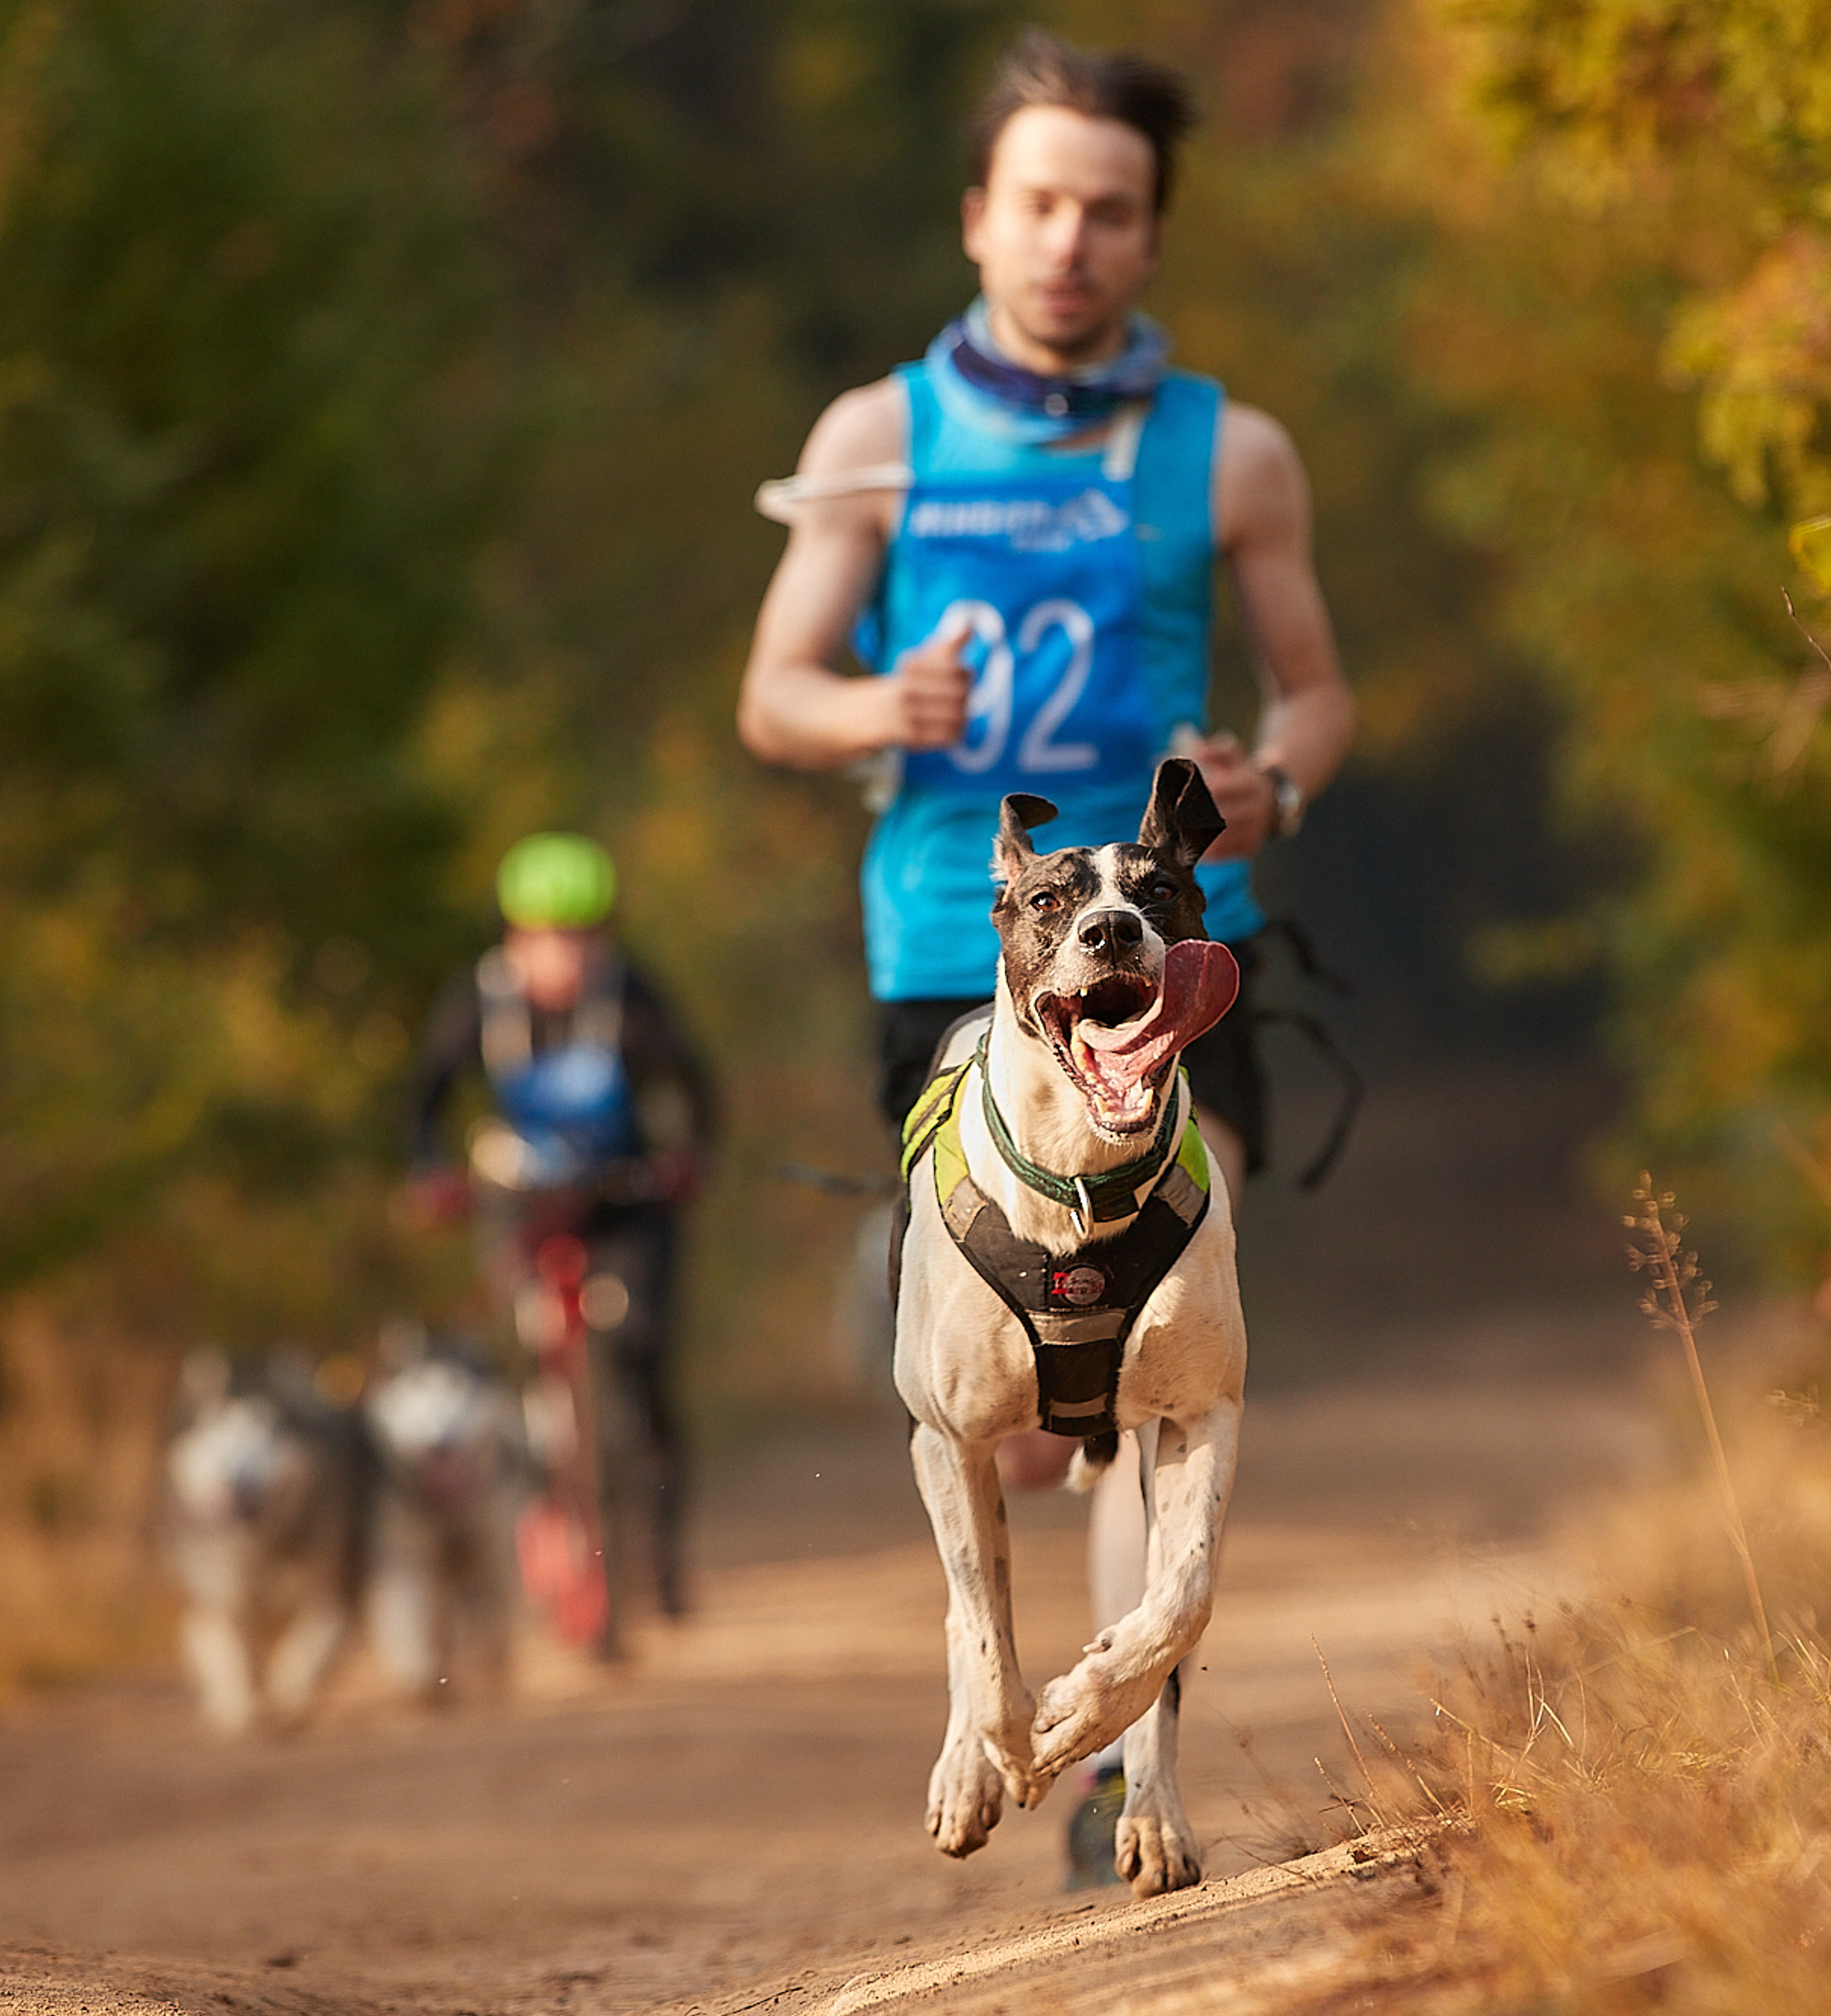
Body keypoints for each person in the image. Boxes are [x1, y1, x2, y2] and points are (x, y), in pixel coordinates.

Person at [736, 30, 1352, 1873]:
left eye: (1108, 209)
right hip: (952, 949)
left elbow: (1316, 694)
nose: (1069, 239)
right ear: (974, 219)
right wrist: (871, 708)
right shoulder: (874, 438)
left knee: (1159, 1355)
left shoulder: (1229, 450)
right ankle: (936, 1307)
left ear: (1150, 235)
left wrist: (1272, 781)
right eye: (1038, 204)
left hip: (1183, 949)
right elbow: (771, 689)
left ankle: (1112, 1759)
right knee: (1009, 1409)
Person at [405, 832, 717, 1625]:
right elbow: (424, 1099)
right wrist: (431, 1172)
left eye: (580, 935)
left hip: (625, 1199)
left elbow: (693, 1085)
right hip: (522, 1201)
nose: (563, 954)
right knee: (520, 1356)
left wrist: (689, 1158)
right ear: (513, 937)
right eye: (544, 935)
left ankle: (657, 1554)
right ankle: (547, 1514)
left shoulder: (629, 995)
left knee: (638, 1351)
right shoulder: (480, 1000)